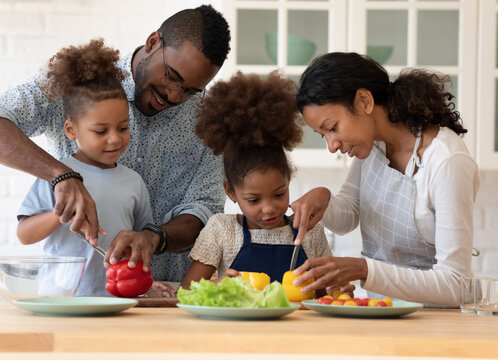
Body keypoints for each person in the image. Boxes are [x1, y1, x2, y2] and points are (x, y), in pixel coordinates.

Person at [0, 5, 231, 284]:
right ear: (152, 42)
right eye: (171, 76)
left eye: (192, 90)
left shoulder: (209, 120)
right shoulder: (77, 82)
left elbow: (204, 210)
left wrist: (153, 238)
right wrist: (60, 174)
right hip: (73, 295)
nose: (174, 96)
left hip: (165, 294)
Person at [290, 52, 480, 307]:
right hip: (383, 312)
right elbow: (350, 215)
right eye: (322, 134)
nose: (332, 146)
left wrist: (364, 270)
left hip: (437, 322)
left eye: (332, 127)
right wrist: (323, 197)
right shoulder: (372, 146)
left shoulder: (447, 162)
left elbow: (455, 284)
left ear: (364, 101)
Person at [16, 39, 154, 296]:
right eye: (101, 130)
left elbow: (143, 236)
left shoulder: (133, 181)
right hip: (60, 299)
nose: (115, 138)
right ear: (71, 130)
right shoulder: (57, 177)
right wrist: (59, 214)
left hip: (116, 300)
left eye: (123, 127)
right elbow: (24, 234)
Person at [180, 71, 333, 290]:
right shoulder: (222, 230)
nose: (269, 209)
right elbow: (185, 292)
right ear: (230, 192)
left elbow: (328, 290)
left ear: (288, 180)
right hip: (237, 326)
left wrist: (338, 290)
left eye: (279, 194)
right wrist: (216, 285)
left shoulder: (310, 233)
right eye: (254, 200)